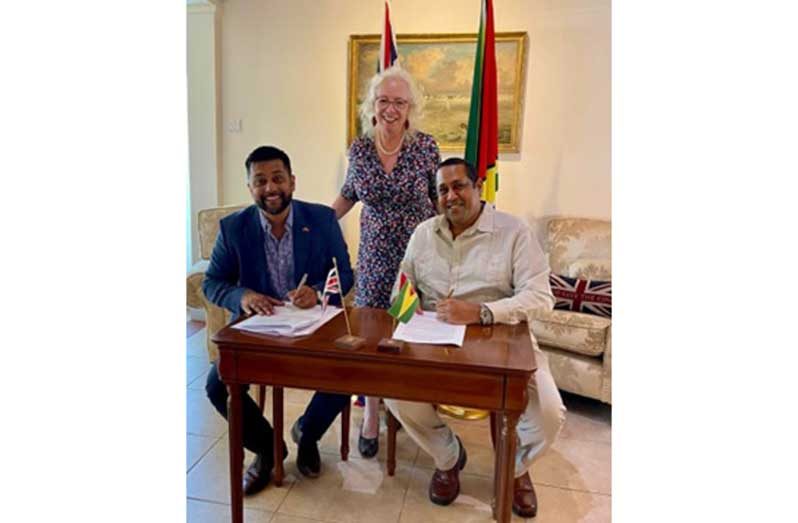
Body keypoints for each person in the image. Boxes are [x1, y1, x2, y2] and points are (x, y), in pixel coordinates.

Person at [384, 158, 567, 518]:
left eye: (459, 186)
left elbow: (542, 296)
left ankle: (514, 469)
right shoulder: (423, 233)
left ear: (478, 186)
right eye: (442, 190)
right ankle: (448, 457)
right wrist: (406, 307)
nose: (451, 196)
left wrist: (482, 311)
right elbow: (403, 285)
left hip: (502, 342)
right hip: (435, 341)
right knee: (392, 391)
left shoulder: (513, 232)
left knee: (549, 414)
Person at [203, 145, 355, 495]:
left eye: (277, 178)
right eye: (260, 181)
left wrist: (317, 291)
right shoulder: (233, 229)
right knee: (216, 385)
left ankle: (309, 432)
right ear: (250, 188)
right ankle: (268, 449)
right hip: (258, 329)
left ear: (292, 182)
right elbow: (213, 283)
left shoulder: (321, 220)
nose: (270, 188)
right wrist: (243, 296)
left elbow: (344, 274)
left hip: (311, 326)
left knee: (350, 369)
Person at [332, 65, 439, 458]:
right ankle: (372, 414)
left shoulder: (426, 147)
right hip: (375, 255)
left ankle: (410, 408)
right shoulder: (359, 149)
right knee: (372, 335)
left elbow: (439, 200)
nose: (391, 109)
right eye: (384, 101)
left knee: (410, 331)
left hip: (417, 256)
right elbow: (348, 194)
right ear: (371, 106)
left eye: (399, 101)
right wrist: (315, 225)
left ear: (410, 108)